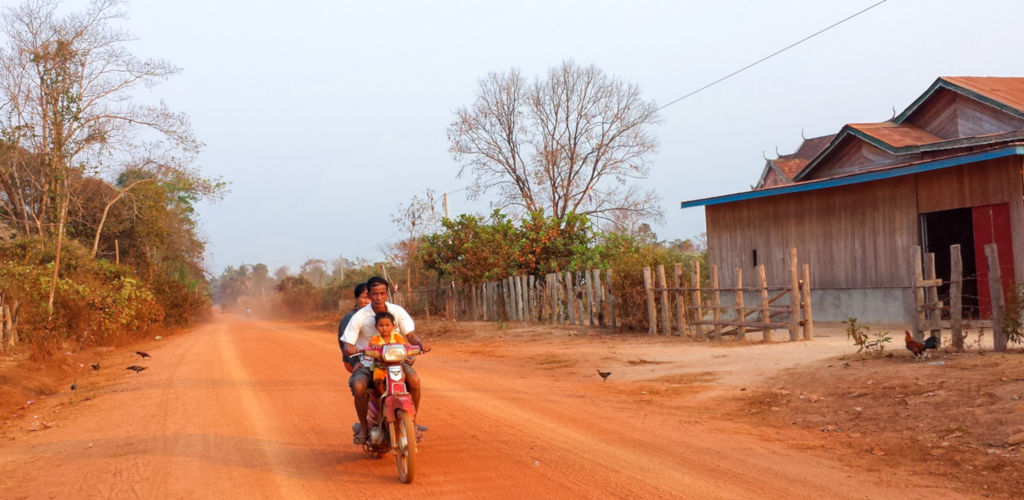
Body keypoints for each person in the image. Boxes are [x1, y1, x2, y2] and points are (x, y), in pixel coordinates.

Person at [340, 276, 430, 445]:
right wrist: (350, 348)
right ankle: (365, 428)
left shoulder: (398, 311)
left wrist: (420, 344)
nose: (379, 297)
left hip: (396, 362)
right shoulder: (360, 316)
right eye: (374, 294)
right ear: (369, 294)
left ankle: (413, 421)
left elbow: (410, 335)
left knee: (414, 380)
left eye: (382, 293)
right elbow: (347, 341)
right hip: (369, 363)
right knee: (359, 385)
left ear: (388, 293)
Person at [337, 283, 371, 373]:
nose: (368, 301)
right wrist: (355, 362)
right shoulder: (350, 318)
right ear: (356, 299)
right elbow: (346, 345)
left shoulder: (376, 315)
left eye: (370, 298)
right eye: (364, 297)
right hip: (355, 360)